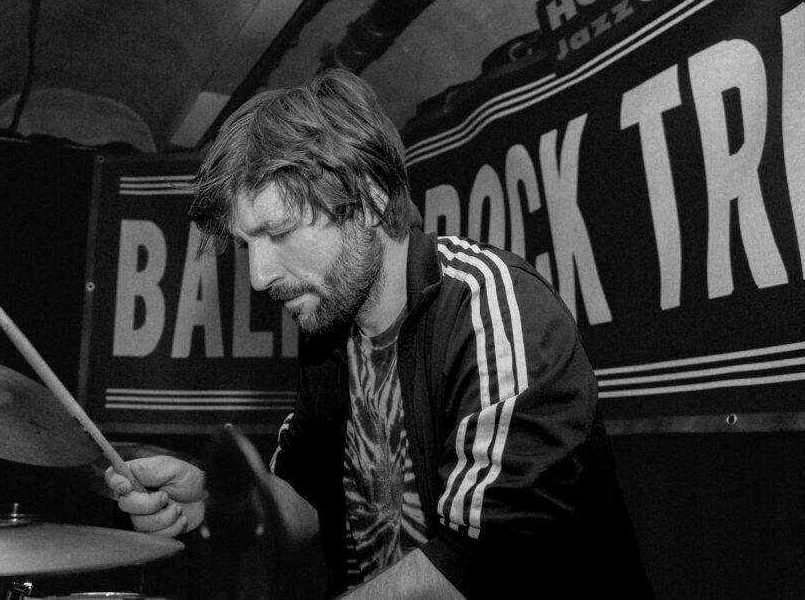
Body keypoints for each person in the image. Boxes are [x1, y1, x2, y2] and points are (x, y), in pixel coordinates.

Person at [105, 69, 653, 598]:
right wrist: (214, 504)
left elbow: (485, 563)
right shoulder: (327, 325)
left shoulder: (492, 308)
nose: (260, 275)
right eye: (250, 245)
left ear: (367, 198)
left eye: (279, 232)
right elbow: (307, 500)